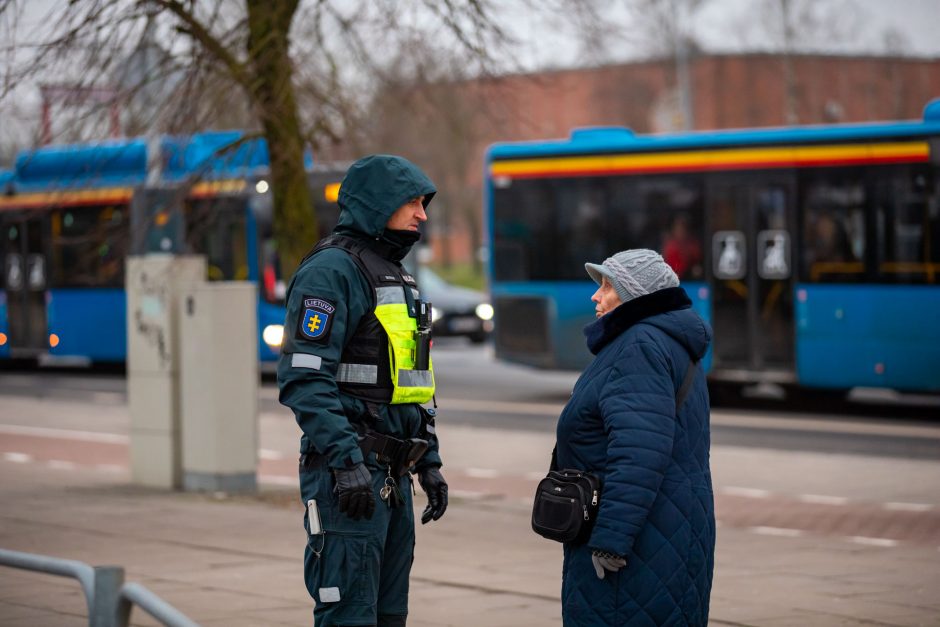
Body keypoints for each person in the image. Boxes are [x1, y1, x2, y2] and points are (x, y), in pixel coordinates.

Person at [278, 154, 449, 627]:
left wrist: (429, 462)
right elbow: (304, 379)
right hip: (348, 480)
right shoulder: (332, 271)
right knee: (349, 615)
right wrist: (346, 461)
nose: (422, 215)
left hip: (393, 477)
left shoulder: (398, 276)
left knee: (389, 616)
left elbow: (412, 385)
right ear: (378, 204)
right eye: (413, 202)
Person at [555, 249, 715, 626]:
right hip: (669, 526)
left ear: (634, 296)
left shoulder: (639, 347)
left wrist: (611, 540)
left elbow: (639, 453)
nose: (596, 296)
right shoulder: (667, 342)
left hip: (637, 544)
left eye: (608, 286)